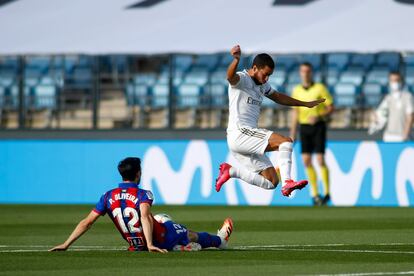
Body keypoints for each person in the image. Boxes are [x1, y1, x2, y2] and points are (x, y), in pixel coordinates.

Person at [50, 157, 233, 253]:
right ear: (138, 174)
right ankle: (220, 241)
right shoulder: (143, 194)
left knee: (161, 218)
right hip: (157, 238)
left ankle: (178, 246)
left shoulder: (107, 196)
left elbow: (87, 222)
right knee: (185, 231)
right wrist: (152, 244)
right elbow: (144, 217)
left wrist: (66, 244)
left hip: (135, 244)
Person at [215, 45, 325, 197]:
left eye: (269, 76)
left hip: (244, 141)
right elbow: (230, 77)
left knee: (271, 182)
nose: (266, 79)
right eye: (265, 74)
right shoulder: (242, 79)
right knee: (285, 142)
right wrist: (236, 60)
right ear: (255, 68)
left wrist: (304, 104)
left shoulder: (263, 85)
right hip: (240, 133)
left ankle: (231, 171)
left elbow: (278, 97)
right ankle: (287, 183)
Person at [289, 62, 334, 206]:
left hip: (318, 126)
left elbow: (331, 107)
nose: (305, 74)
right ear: (300, 73)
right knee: (306, 160)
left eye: (308, 71)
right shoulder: (296, 90)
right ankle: (315, 194)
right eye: (303, 71)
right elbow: (295, 113)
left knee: (320, 159)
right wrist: (293, 132)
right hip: (304, 127)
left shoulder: (320, 88)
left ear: (311, 72)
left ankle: (327, 192)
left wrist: (319, 116)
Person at [369, 71, 413, 142]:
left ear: (401, 81)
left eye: (396, 80)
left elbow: (410, 116)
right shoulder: (388, 98)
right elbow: (381, 115)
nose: (394, 83)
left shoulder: (407, 97)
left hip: (402, 136)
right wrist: (375, 118)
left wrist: (406, 134)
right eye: (392, 80)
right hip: (389, 136)